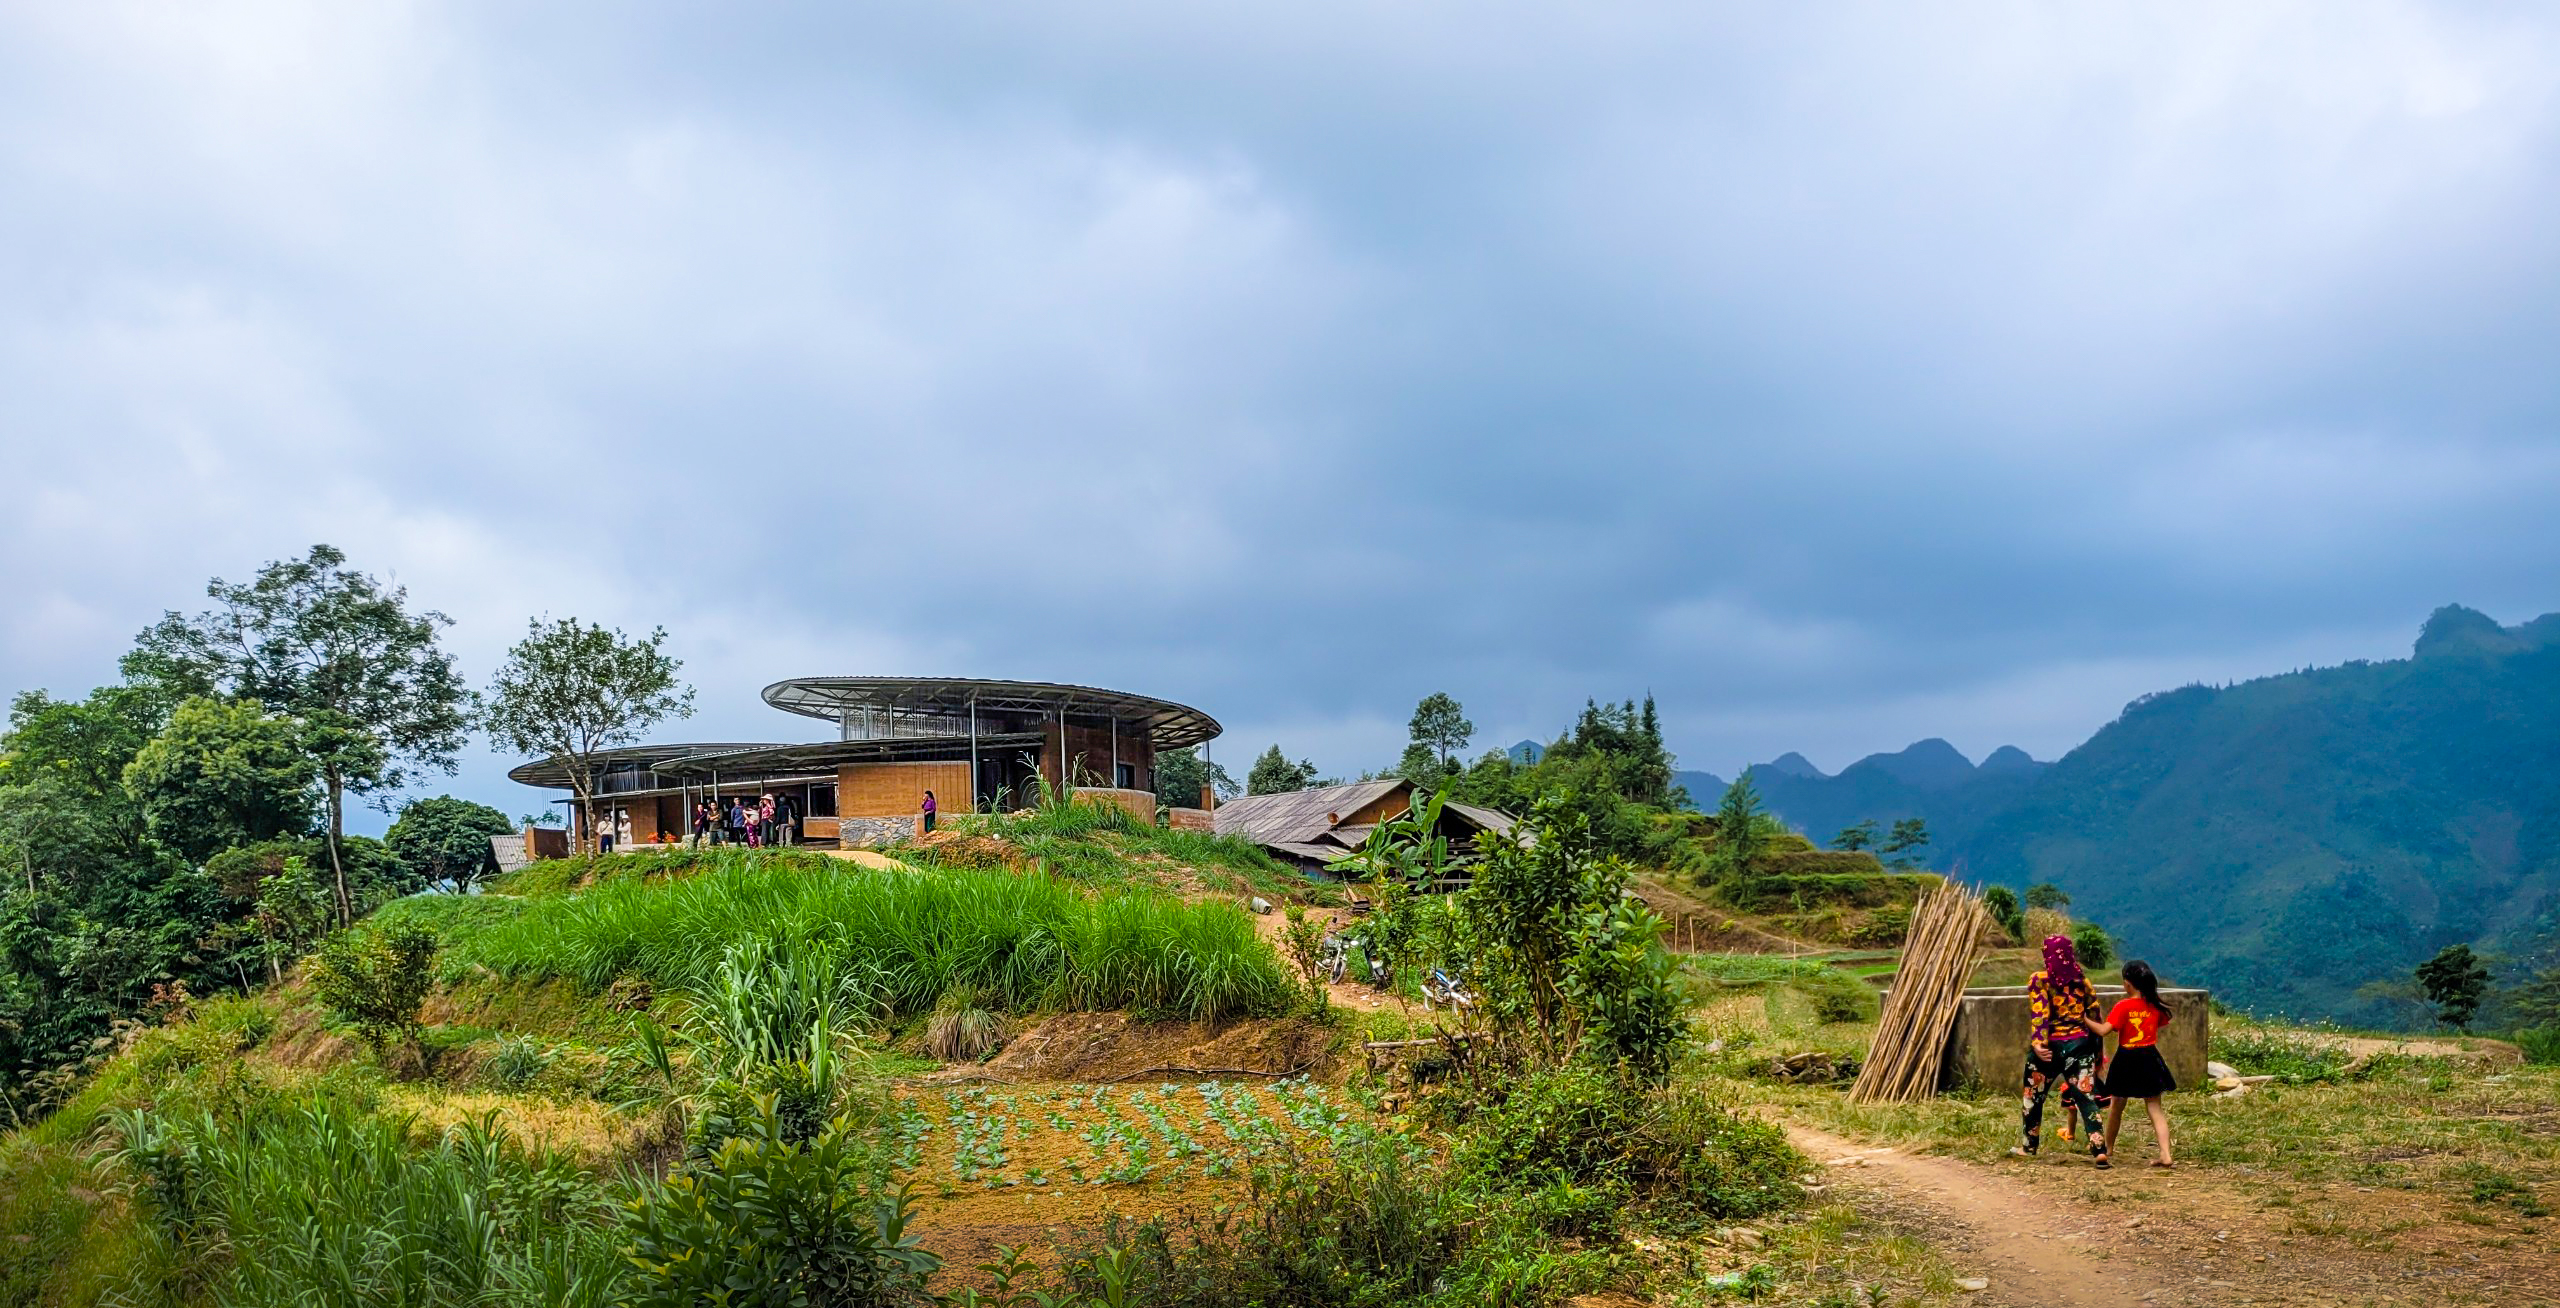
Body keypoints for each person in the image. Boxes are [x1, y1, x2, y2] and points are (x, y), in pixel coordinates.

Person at [2011, 933, 2112, 1166]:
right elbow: (2094, 1016)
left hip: (2049, 1050)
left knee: (2033, 1097)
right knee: (2086, 1099)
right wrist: (2097, 1056)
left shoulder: (2040, 980)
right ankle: (2099, 1149)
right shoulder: (2082, 981)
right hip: (2080, 1047)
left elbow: (2040, 1013)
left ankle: (2029, 1146)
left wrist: (2038, 1043)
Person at [2084, 960, 2178, 1169]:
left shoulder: (2123, 1006)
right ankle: (2165, 1153)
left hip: (2126, 1058)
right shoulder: (2154, 1005)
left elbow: (2103, 1030)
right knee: (2155, 1107)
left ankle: (2107, 1148)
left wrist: (2084, 1019)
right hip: (2149, 1057)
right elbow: (2160, 1023)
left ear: (2127, 984)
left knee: (2117, 1105)